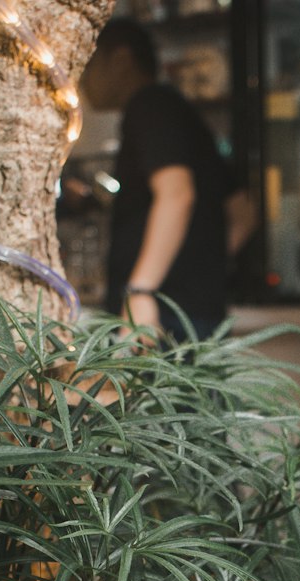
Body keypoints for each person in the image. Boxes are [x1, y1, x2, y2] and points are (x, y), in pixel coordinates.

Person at [78, 17, 246, 340]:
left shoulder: (150, 106)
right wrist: (198, 269)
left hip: (161, 314)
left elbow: (177, 194)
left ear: (121, 60)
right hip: (193, 311)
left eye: (89, 63)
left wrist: (141, 291)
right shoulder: (176, 110)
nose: (82, 78)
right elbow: (243, 212)